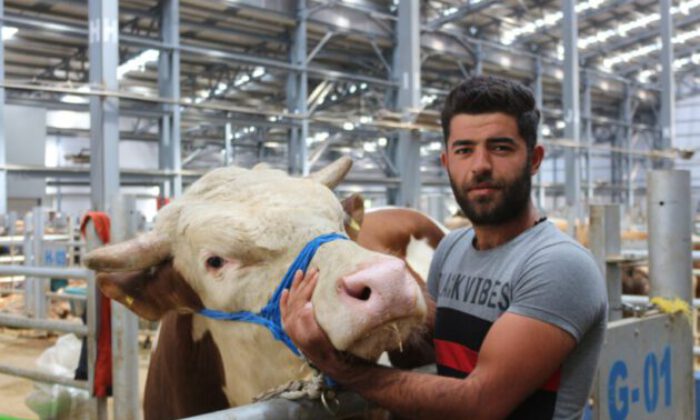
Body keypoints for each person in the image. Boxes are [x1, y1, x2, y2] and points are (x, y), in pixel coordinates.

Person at [281, 75, 607, 419]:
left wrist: (337, 366)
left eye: (500, 147)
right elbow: (425, 346)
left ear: (535, 159)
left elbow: (480, 402)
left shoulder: (559, 265)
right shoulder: (452, 250)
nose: (480, 165)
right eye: (464, 150)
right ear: (446, 162)